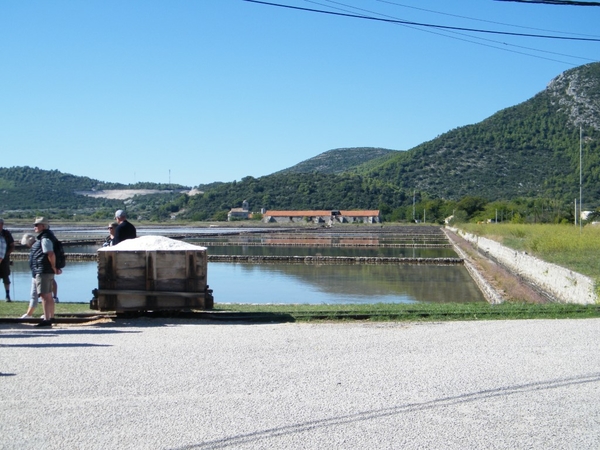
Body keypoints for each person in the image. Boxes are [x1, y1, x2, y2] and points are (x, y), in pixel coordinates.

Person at [31, 217, 62, 327]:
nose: (34, 227)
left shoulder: (45, 238)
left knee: (44, 296)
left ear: (43, 226)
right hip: (47, 270)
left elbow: (50, 253)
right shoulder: (49, 236)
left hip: (43, 270)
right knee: (49, 295)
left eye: (37, 225)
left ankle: (46, 319)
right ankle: (51, 317)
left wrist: (53, 266)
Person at [0, 218, 15, 302]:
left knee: (6, 277)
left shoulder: (6, 234)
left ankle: (7, 296)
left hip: (5, 259)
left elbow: (12, 245)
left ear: (2, 225)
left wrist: (6, 254)